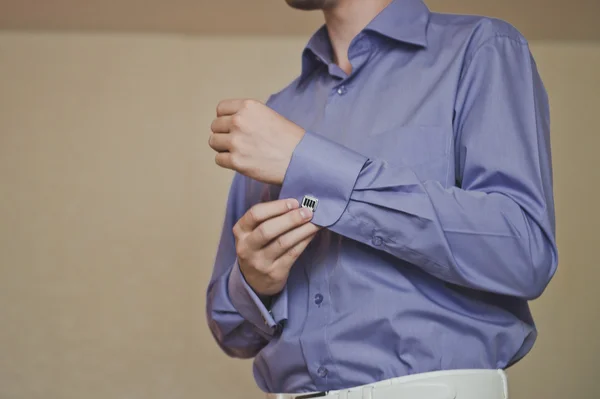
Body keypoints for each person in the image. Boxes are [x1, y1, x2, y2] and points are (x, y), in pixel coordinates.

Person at [205, 0, 558, 397]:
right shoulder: (276, 114)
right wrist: (254, 283)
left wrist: (310, 163)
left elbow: (523, 252)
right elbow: (229, 330)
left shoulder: (482, 50)